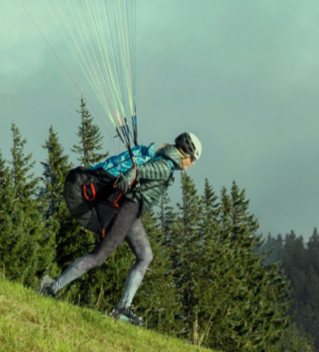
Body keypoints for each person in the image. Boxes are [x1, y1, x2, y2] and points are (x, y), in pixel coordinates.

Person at [39, 131, 202, 326]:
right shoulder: (165, 167)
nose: (192, 164)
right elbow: (139, 171)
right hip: (127, 211)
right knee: (98, 257)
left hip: (133, 212)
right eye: (192, 160)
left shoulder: (164, 158)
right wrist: (127, 176)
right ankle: (50, 288)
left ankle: (122, 308)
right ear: (184, 154)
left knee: (146, 256)